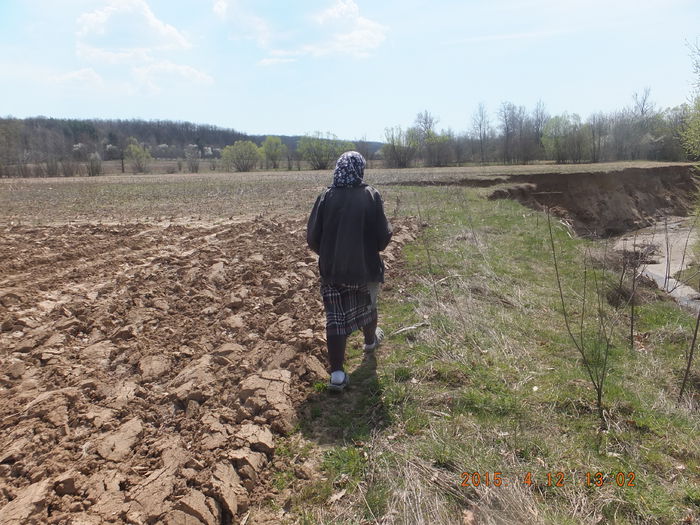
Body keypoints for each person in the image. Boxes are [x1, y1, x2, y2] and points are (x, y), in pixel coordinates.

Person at [306, 151, 393, 392]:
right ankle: (369, 342)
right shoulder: (370, 195)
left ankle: (336, 375)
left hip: (332, 271)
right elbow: (382, 238)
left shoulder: (325, 196)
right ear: (360, 169)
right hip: (365, 269)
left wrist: (331, 254)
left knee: (335, 319)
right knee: (369, 307)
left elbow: (313, 239)